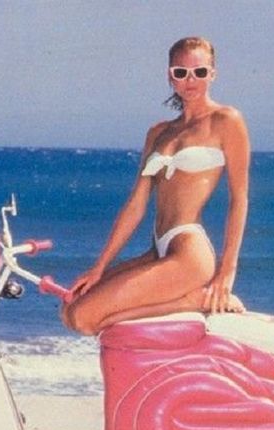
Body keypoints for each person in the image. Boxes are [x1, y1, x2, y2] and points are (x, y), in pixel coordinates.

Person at [62, 36, 249, 336]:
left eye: (200, 72)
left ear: (212, 74)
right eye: (181, 72)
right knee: (72, 308)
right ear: (170, 75)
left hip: (189, 252)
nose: (191, 80)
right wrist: (99, 266)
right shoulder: (159, 132)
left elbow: (239, 199)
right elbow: (136, 205)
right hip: (158, 249)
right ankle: (184, 300)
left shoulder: (226, 121)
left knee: (86, 318)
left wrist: (226, 273)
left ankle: (194, 300)